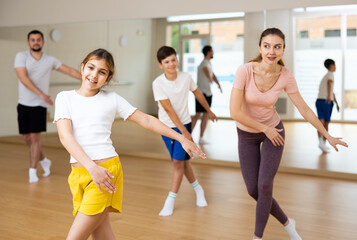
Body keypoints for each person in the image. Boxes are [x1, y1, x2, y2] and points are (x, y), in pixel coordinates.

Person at [54, 48, 206, 239]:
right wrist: (91, 168)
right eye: (91, 67)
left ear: (108, 78)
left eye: (102, 72)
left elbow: (147, 120)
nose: (94, 75)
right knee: (101, 232)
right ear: (82, 67)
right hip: (80, 173)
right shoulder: (64, 98)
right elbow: (65, 136)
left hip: (105, 172)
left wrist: (181, 137)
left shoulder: (112, 99)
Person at [230, 28, 348, 240]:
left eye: (277, 46)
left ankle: (257, 237)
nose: (271, 51)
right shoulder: (245, 71)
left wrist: (326, 135)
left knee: (264, 185)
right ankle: (287, 222)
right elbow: (234, 112)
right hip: (247, 134)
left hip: (274, 132)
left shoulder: (285, 76)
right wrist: (263, 128)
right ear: (260, 48)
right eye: (267, 46)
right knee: (253, 190)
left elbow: (303, 108)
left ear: (283, 49)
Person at [152, 46, 218, 216]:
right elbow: (169, 110)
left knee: (177, 163)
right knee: (183, 162)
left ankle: (170, 201)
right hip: (166, 127)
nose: (171, 64)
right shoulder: (158, 83)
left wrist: (208, 110)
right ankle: (198, 190)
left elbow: (198, 94)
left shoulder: (186, 77)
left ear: (177, 59)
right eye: (167, 62)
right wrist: (184, 133)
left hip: (185, 124)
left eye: (173, 59)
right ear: (160, 65)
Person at [14, 29, 81, 183]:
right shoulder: (21, 57)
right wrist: (41, 93)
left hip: (39, 105)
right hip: (23, 103)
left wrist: (90, 77)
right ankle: (44, 160)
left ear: (43, 42)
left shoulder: (50, 60)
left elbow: (69, 71)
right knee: (27, 138)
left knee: (35, 138)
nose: (36, 42)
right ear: (28, 42)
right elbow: (23, 78)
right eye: (33, 40)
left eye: (38, 39)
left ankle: (32, 171)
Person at [191, 45, 222, 144]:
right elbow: (206, 70)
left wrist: (218, 84)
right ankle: (187, 135)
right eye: (212, 51)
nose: (213, 53)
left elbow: (212, 74)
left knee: (205, 115)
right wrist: (209, 76)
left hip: (208, 93)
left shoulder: (209, 63)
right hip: (201, 93)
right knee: (197, 115)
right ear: (208, 52)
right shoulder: (203, 63)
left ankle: (201, 137)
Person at [315, 59, 340, 153]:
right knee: (326, 124)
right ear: (331, 65)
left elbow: (332, 90)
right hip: (326, 102)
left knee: (320, 123)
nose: (335, 67)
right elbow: (330, 84)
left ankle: (321, 143)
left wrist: (337, 103)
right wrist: (329, 97)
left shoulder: (326, 75)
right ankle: (323, 144)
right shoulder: (330, 74)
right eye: (335, 65)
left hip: (319, 101)